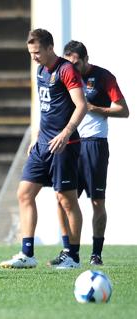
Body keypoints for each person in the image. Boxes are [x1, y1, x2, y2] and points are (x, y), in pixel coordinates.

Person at [0, 29, 87, 270]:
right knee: (24, 193)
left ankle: (73, 256)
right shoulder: (40, 70)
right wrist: (36, 137)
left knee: (66, 200)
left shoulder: (66, 70)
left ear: (50, 48)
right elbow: (46, 108)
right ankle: (27, 253)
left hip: (64, 145)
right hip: (42, 145)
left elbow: (82, 105)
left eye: (37, 52)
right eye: (31, 53)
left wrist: (65, 133)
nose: (34, 57)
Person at [48, 40, 129, 266]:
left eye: (76, 63)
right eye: (69, 63)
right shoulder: (63, 75)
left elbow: (124, 110)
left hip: (94, 144)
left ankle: (96, 253)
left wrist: (95, 108)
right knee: (61, 197)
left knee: (97, 201)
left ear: (85, 60)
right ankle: (68, 251)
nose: (72, 68)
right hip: (69, 143)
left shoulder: (103, 77)